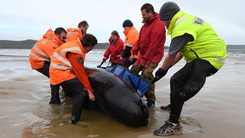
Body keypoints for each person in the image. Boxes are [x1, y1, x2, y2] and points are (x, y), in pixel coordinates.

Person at [153, 2, 227, 136]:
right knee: (176, 80)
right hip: (201, 57)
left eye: (164, 22)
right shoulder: (186, 20)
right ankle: (175, 105)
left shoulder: (181, 27)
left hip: (210, 58)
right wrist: (168, 67)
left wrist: (161, 71)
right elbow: (181, 52)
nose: (164, 25)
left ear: (169, 19)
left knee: (185, 90)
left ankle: (173, 124)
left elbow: (171, 55)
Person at [49, 33, 98, 124]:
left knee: (72, 90)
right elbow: (80, 73)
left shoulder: (76, 44)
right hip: (61, 73)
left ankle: (60, 110)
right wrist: (89, 91)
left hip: (58, 71)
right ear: (90, 46)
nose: (91, 50)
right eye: (92, 48)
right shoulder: (76, 52)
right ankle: (75, 120)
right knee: (82, 92)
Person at [129, 3, 166, 108]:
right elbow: (140, 41)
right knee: (133, 71)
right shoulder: (144, 26)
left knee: (147, 74)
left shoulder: (158, 24)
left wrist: (145, 60)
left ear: (150, 12)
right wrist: (134, 53)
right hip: (144, 55)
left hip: (155, 55)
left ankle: (151, 100)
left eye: (144, 14)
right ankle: (133, 93)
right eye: (142, 15)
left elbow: (153, 46)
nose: (142, 16)